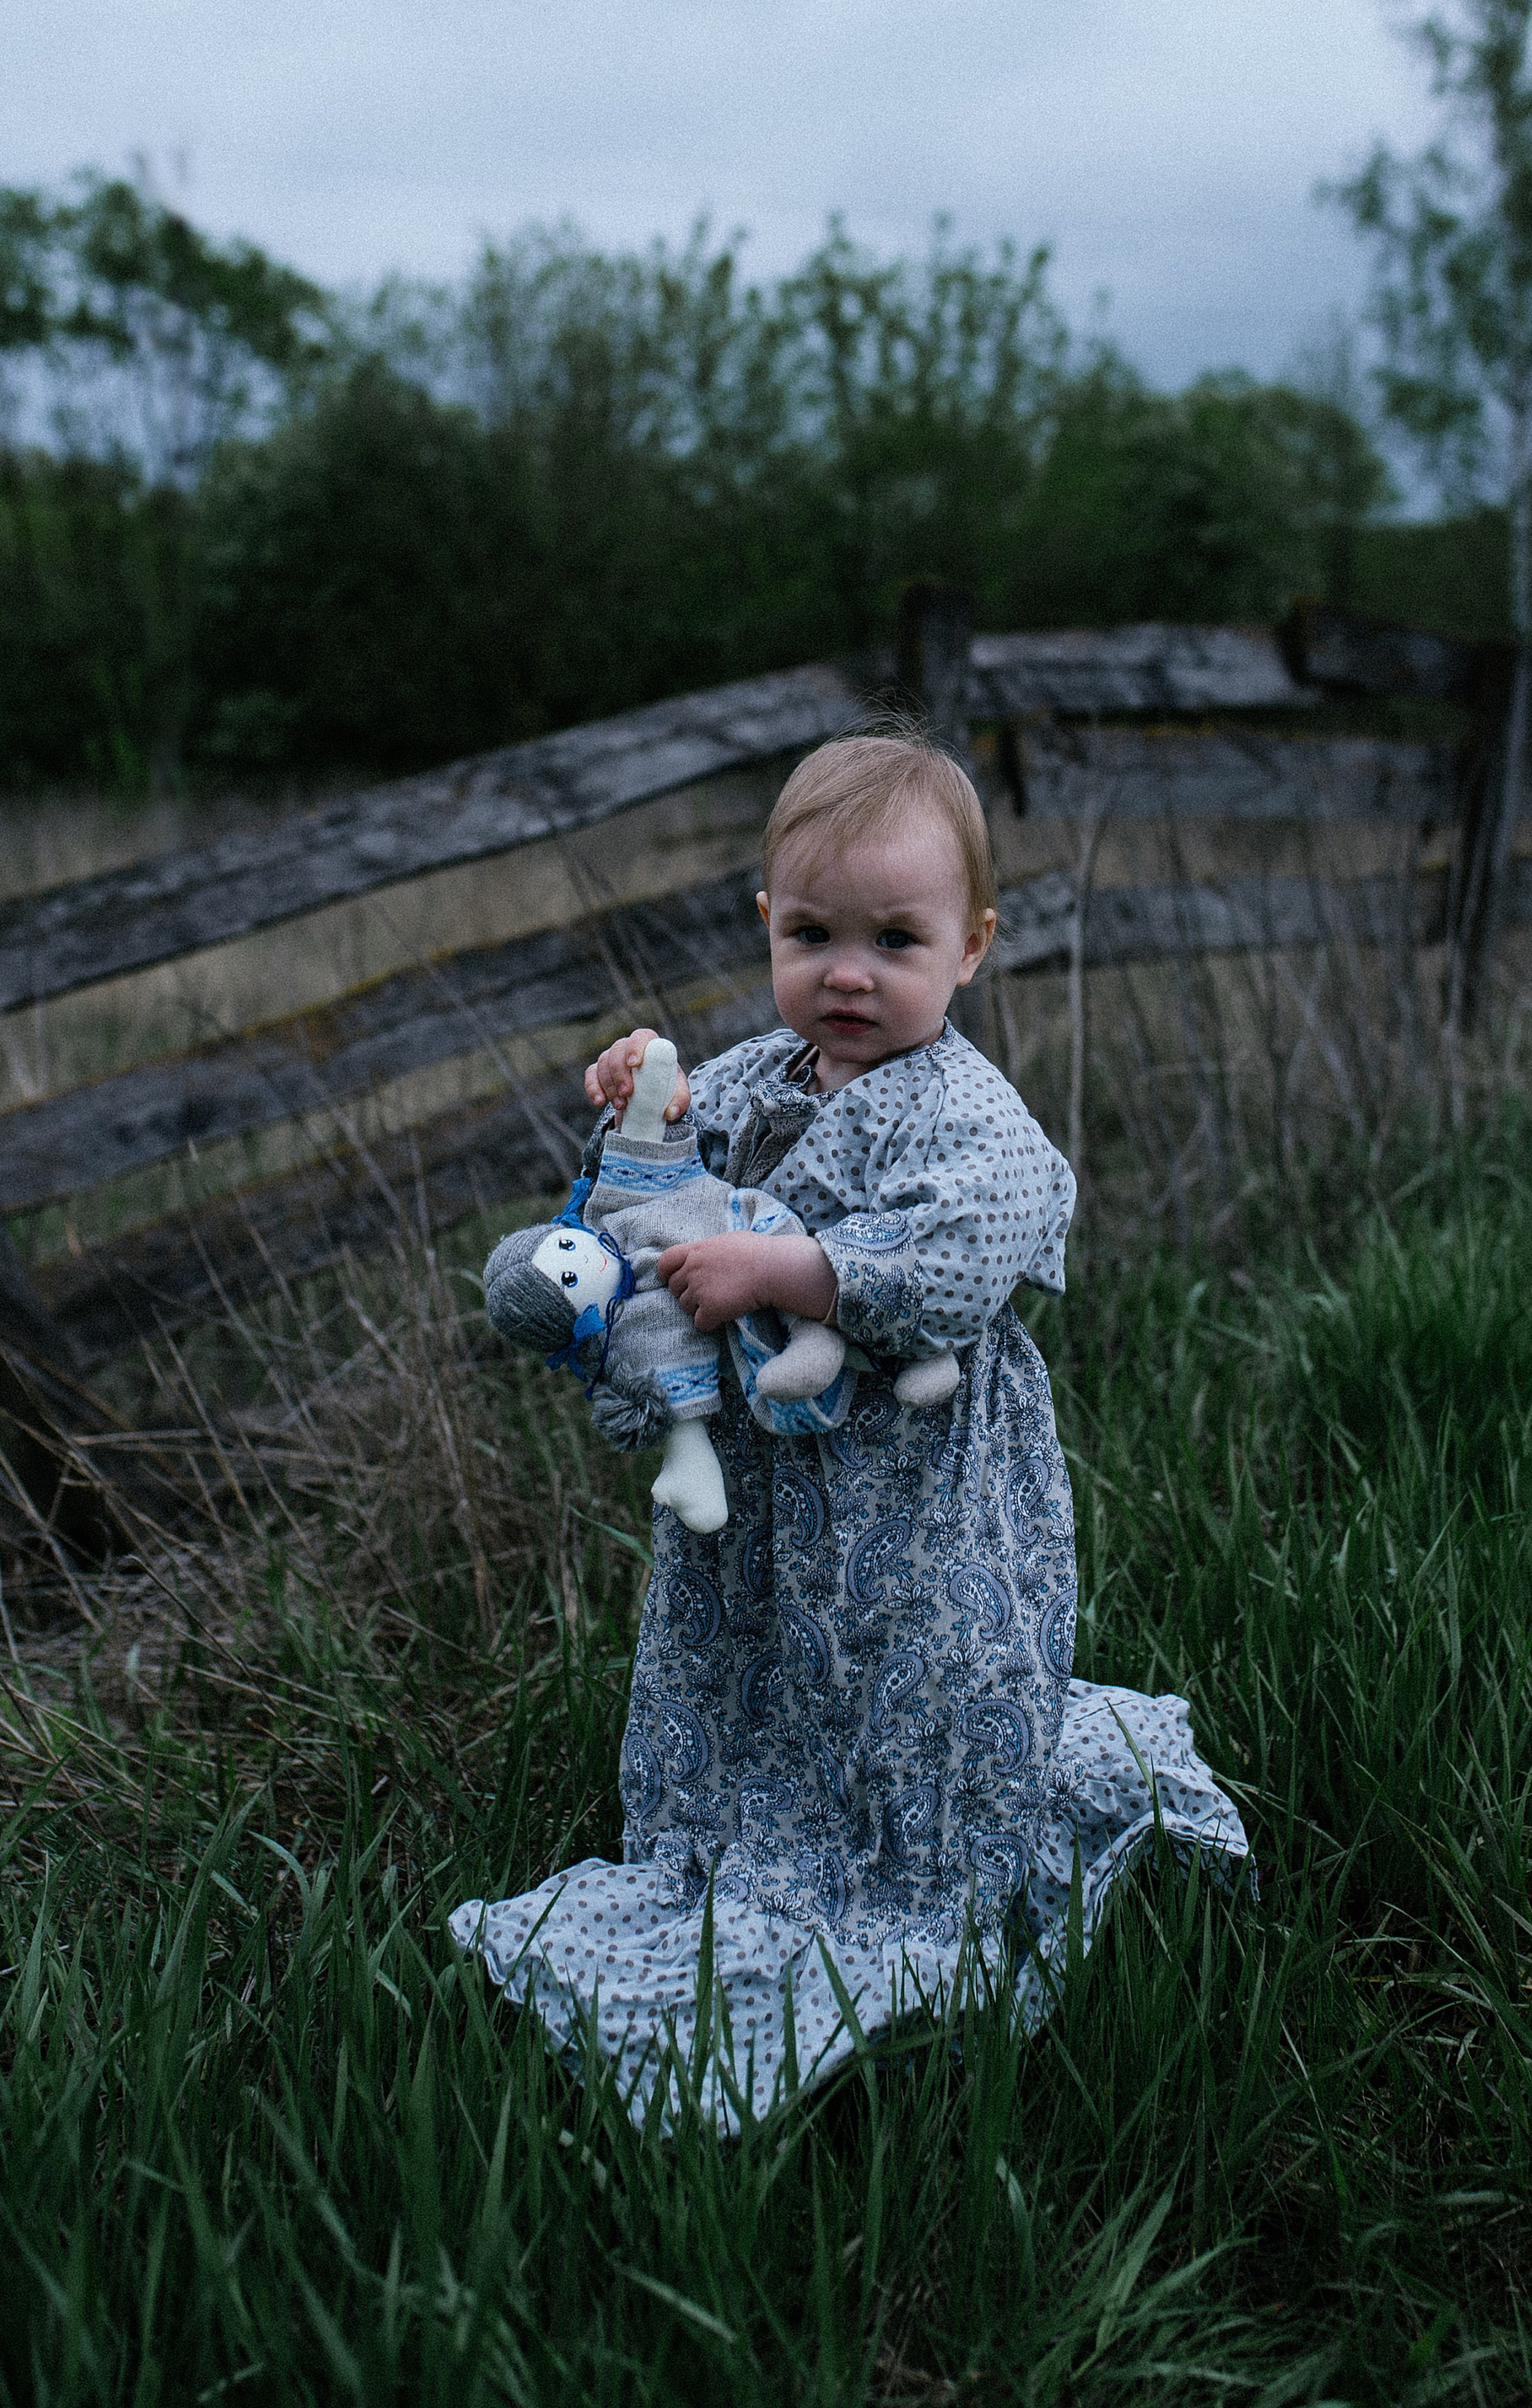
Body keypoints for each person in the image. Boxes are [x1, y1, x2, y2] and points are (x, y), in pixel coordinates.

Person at [450, 729, 1249, 2124]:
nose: (850, 972)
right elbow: (669, 1196)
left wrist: (802, 1274)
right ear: (767, 923)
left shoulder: (967, 1109)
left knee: (916, 1671)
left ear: (973, 945)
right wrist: (642, 1111)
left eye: (896, 937)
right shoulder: (760, 1077)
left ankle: (918, 1881)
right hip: (770, 1481)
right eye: (812, 931)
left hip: (920, 1486)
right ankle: (732, 1847)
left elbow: (983, 1241)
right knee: (753, 1651)